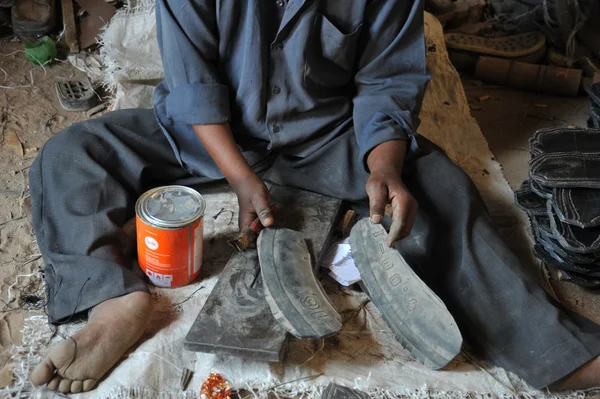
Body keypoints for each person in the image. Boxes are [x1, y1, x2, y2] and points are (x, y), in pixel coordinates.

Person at [28, 0, 600, 394]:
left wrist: (386, 167)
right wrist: (243, 179)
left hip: (328, 135)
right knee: (73, 155)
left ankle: (552, 352)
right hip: (209, 135)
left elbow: (387, 83)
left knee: (439, 187)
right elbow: (196, 88)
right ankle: (114, 302)